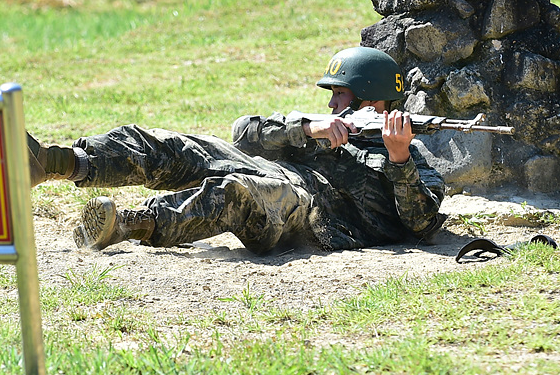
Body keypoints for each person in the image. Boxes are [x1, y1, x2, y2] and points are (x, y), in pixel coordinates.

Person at [27, 46, 446, 254]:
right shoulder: (322, 126)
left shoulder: (414, 159)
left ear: (371, 101)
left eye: (341, 96)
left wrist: (400, 160)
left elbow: (422, 226)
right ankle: (54, 162)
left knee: (237, 191)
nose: (332, 104)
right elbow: (243, 134)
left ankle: (126, 224)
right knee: (171, 146)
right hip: (274, 171)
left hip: (314, 216)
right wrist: (304, 128)